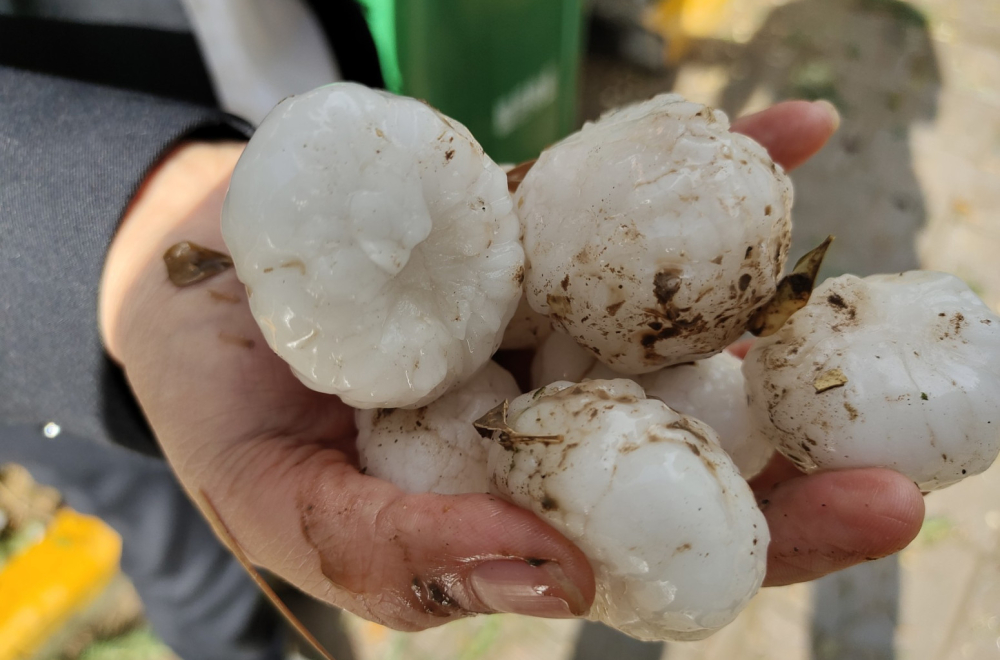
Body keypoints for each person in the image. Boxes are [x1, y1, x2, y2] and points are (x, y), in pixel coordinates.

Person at [1, 0, 925, 651]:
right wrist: (110, 234)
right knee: (189, 562)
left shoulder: (446, 234)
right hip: (59, 335)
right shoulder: (381, 262)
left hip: (321, 120)